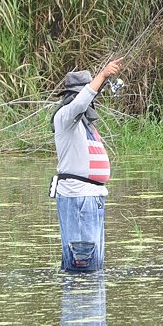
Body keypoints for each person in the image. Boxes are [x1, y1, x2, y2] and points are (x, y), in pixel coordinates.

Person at [51, 57, 124, 272]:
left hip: (92, 197)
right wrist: (102, 75)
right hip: (78, 198)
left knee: (94, 264)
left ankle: (91, 304)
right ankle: (81, 303)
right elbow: (81, 102)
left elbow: (85, 101)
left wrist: (101, 82)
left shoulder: (84, 123)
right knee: (82, 260)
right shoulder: (66, 116)